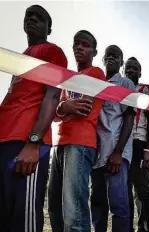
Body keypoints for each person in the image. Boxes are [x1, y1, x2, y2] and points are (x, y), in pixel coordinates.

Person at [0, 5, 68, 232]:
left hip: (26, 143)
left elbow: (52, 96)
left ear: (49, 28)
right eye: (29, 16)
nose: (32, 20)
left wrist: (33, 142)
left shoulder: (51, 51)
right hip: (5, 141)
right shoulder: (20, 59)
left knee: (24, 217)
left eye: (40, 18)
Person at [47, 30, 105, 232]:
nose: (79, 47)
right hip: (59, 142)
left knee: (74, 209)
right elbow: (54, 114)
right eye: (76, 43)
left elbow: (83, 108)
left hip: (80, 143)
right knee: (54, 204)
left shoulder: (95, 73)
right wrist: (63, 107)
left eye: (85, 44)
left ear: (94, 51)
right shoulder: (67, 79)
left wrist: (62, 106)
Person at [91, 45, 136, 232]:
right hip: (96, 152)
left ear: (121, 62)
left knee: (118, 204)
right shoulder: (96, 82)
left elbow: (129, 117)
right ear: (102, 59)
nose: (110, 58)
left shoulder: (125, 83)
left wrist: (118, 152)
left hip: (116, 151)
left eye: (115, 56)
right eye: (107, 55)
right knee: (97, 202)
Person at [124, 57, 149, 232]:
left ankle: (148, 228)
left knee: (144, 191)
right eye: (127, 68)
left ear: (140, 72)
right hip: (121, 144)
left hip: (139, 143)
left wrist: (148, 149)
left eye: (134, 68)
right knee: (125, 191)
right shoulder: (118, 88)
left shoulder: (147, 89)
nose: (130, 70)